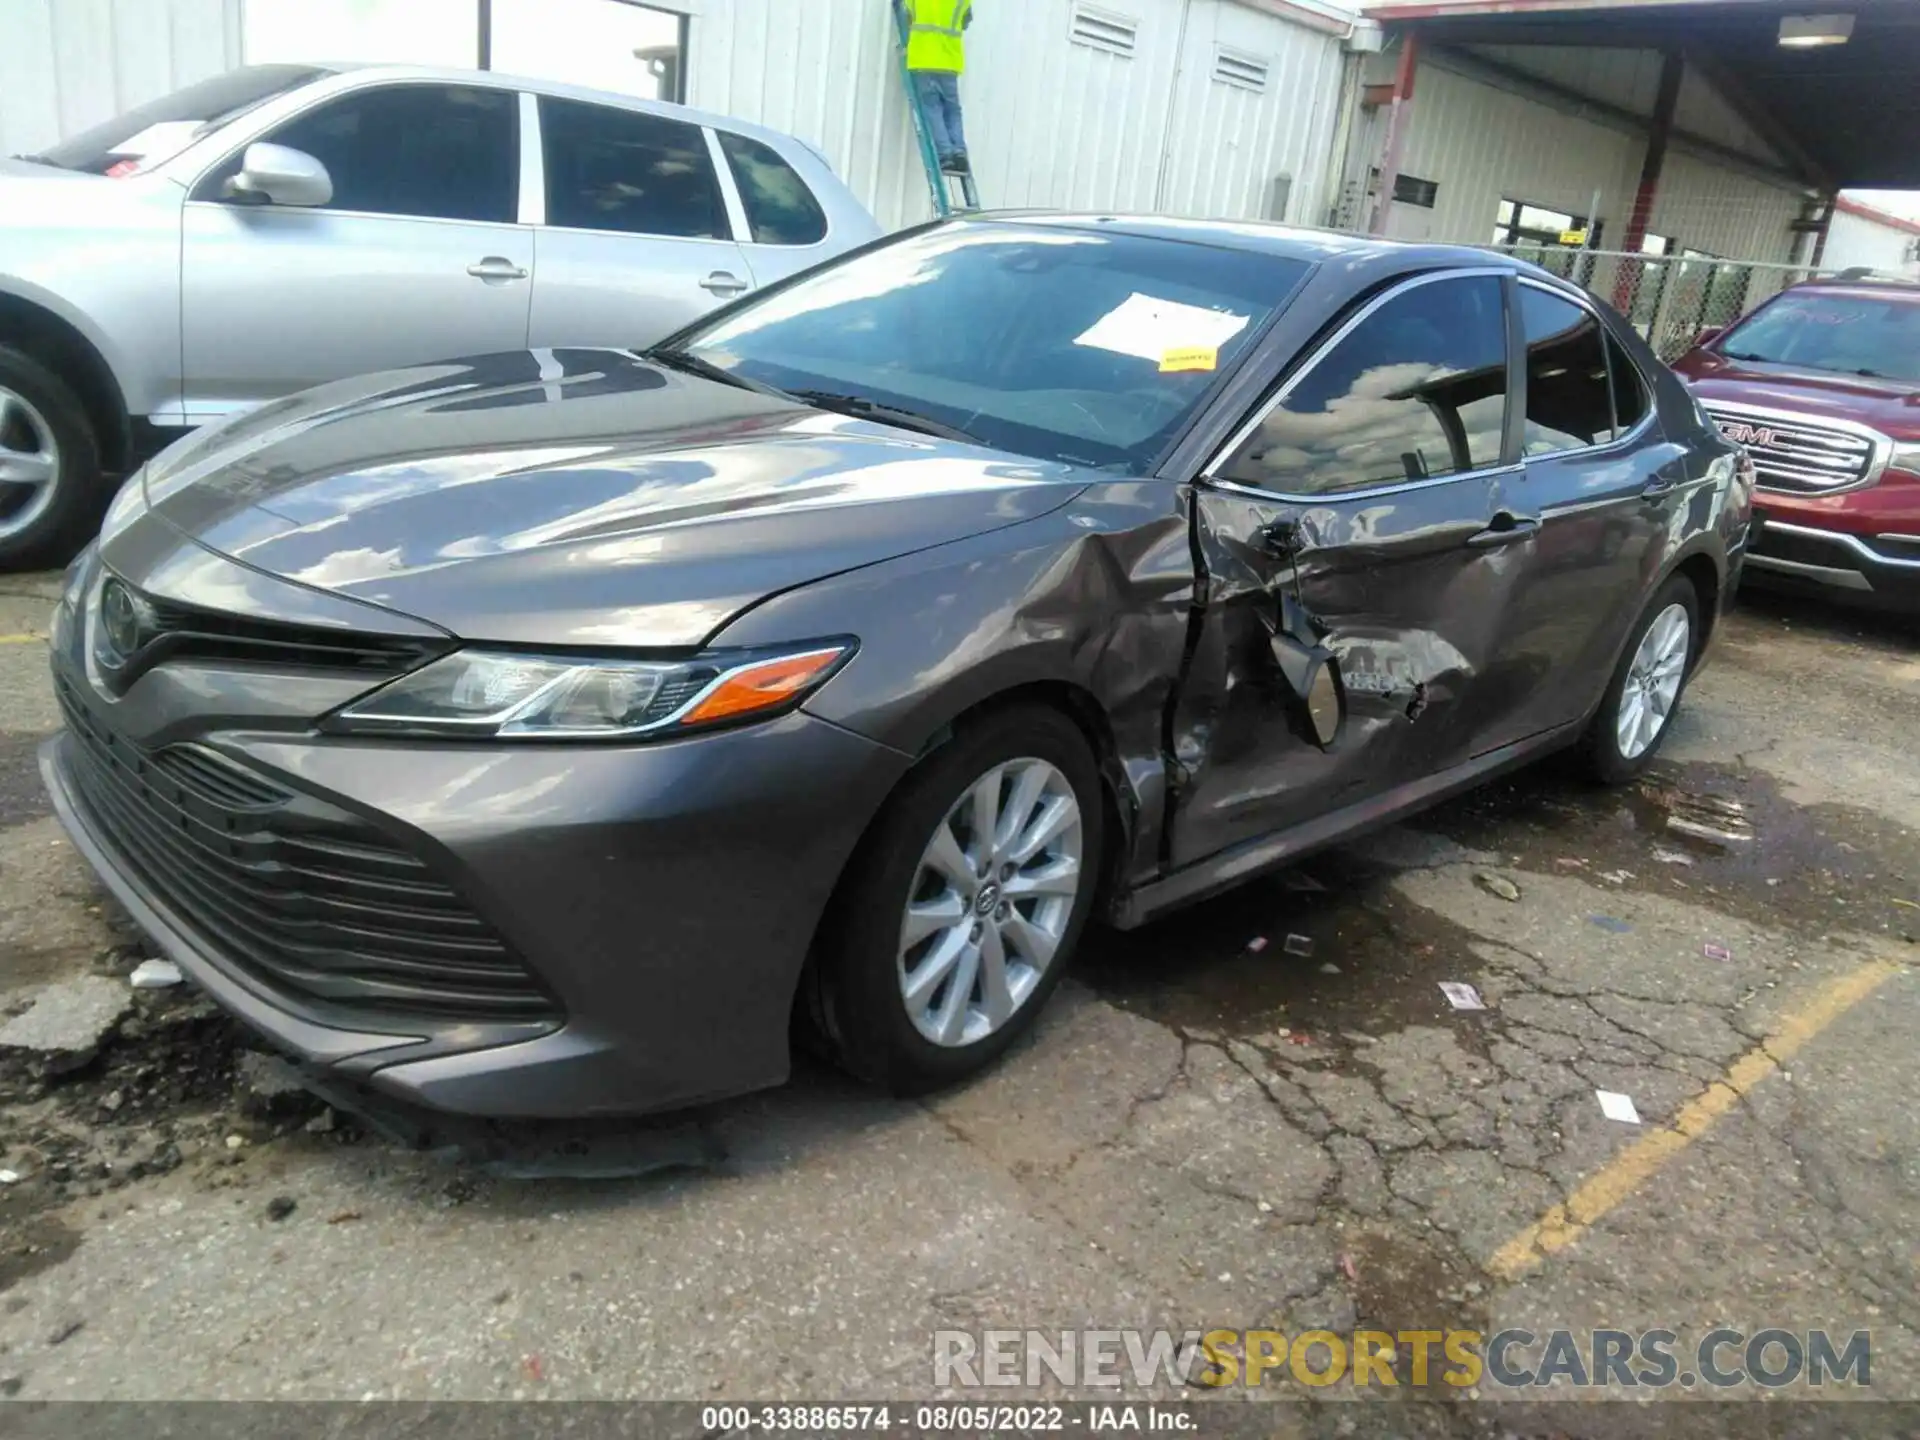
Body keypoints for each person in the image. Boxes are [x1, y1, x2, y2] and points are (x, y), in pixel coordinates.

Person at [897, 0, 974, 174]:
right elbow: (966, 21)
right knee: (952, 110)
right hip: (949, 61)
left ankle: (946, 154)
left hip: (923, 59)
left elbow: (906, 15)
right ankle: (959, 151)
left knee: (932, 108)